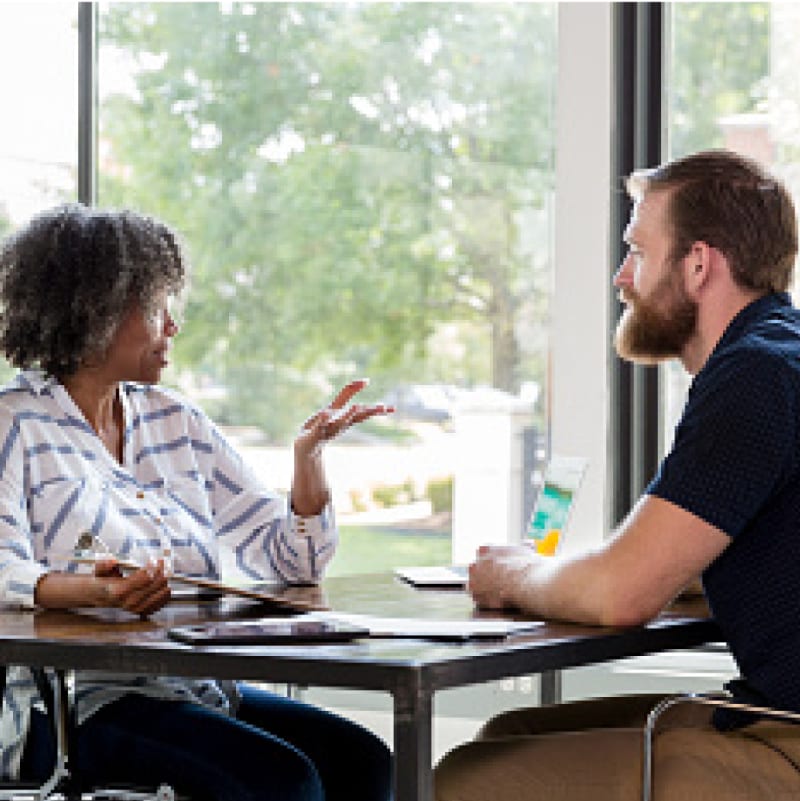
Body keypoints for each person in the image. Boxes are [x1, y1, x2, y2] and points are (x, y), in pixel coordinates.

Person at [435, 149, 800, 800]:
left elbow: (620, 595)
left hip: (787, 734)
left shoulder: (754, 377)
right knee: (509, 732)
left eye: (637, 250)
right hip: (771, 709)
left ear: (696, 263)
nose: (620, 276)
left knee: (463, 781)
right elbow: (690, 564)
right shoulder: (776, 355)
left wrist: (515, 573)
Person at [0, 203, 393, 801]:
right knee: (281, 782)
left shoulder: (175, 419)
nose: (172, 327)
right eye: (157, 307)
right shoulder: (15, 423)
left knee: (361, 760)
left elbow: (290, 562)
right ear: (97, 310)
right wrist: (91, 591)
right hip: (70, 705)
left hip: (192, 688)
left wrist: (308, 460)